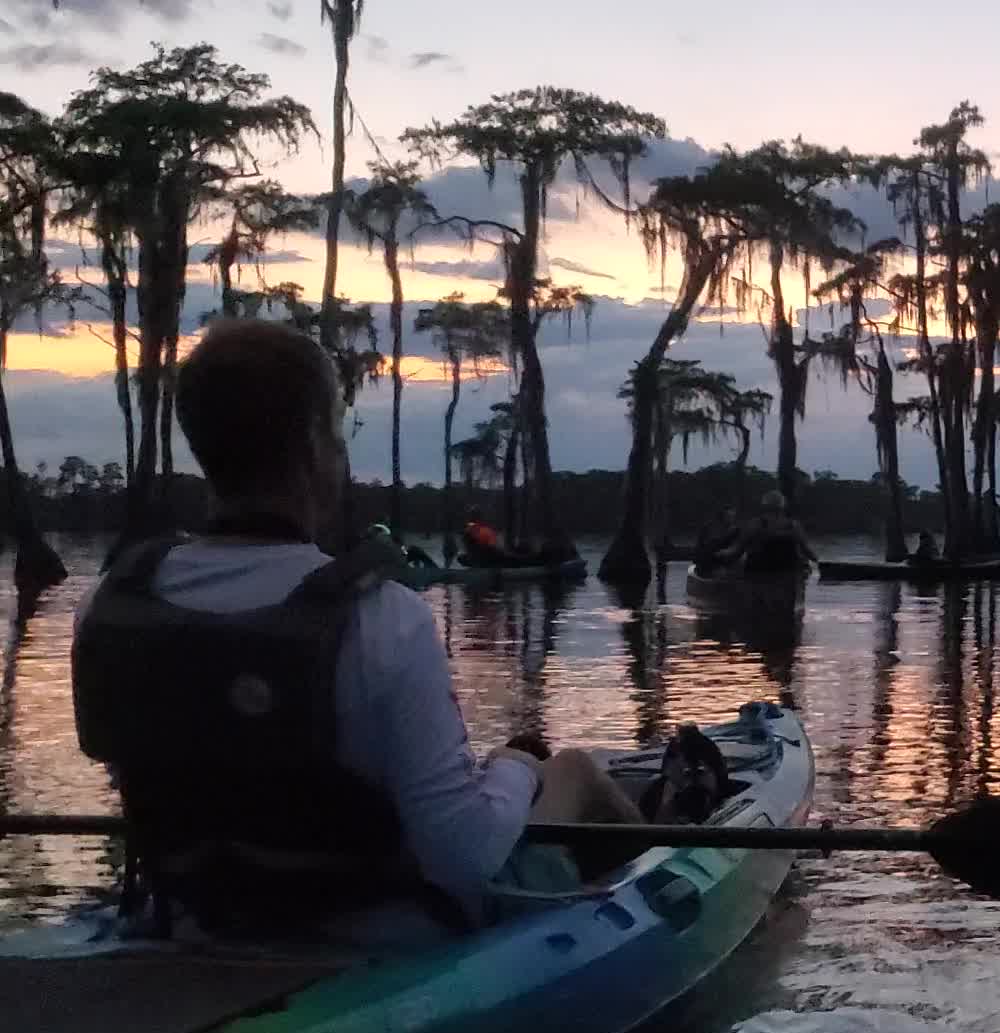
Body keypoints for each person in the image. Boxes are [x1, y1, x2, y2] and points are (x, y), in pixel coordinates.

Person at [70, 319, 644, 945]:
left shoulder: (112, 604)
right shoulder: (384, 617)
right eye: (340, 436)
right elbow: (465, 857)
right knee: (575, 770)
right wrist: (513, 767)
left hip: (196, 918)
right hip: (378, 934)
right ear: (316, 446)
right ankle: (656, 886)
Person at [739, 491, 817, 576]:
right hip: (789, 578)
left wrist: (723, 554)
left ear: (764, 506)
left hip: (758, 575)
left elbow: (737, 550)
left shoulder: (754, 524)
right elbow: (809, 552)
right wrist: (819, 561)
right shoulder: (794, 526)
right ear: (783, 507)